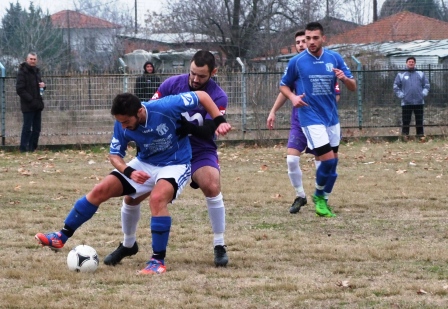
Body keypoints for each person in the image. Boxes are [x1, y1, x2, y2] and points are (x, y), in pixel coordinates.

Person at [35, 91, 231, 275]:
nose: (123, 127)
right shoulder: (122, 124)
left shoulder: (165, 106)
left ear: (139, 112)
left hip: (176, 163)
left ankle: (157, 261)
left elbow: (203, 96)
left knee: (156, 199)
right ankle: (61, 236)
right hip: (144, 163)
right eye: (120, 122)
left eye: (127, 122)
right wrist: (129, 171)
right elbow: (114, 155)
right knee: (100, 190)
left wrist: (219, 120)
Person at [103, 50, 230, 268]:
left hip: (199, 149)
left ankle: (219, 244)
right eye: (192, 74)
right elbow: (149, 110)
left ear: (213, 73)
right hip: (164, 151)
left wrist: (192, 128)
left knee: (211, 185)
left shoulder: (218, 96)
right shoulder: (172, 84)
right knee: (131, 198)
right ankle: (128, 244)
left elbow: (211, 127)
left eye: (201, 76)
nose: (195, 79)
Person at [279, 22, 356, 217]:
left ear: (323, 38)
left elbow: (353, 86)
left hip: (331, 117)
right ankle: (318, 195)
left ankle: (323, 199)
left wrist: (344, 79)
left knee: (333, 166)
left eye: (315, 38)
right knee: (327, 161)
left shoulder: (334, 58)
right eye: (308, 38)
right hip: (310, 117)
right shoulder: (297, 61)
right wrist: (293, 97)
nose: (311, 42)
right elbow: (284, 86)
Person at [267, 31, 340, 214]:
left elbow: (334, 95)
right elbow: (285, 90)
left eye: (304, 40)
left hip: (319, 122)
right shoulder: (297, 66)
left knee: (323, 161)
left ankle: (322, 198)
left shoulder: (323, 65)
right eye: (298, 42)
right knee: (291, 159)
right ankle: (300, 195)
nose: (301, 44)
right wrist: (273, 111)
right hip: (299, 122)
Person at [16, 52, 45, 153]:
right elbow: (20, 89)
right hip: (28, 105)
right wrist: (31, 100)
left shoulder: (37, 71)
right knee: (27, 128)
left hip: (37, 104)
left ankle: (32, 148)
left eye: (34, 59)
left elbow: (39, 86)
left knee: (37, 129)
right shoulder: (22, 72)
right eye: (31, 59)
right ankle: (24, 149)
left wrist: (43, 86)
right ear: (27, 59)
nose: (33, 61)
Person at [393, 57, 430, 138]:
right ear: (406, 63)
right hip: (406, 102)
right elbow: (396, 86)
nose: (411, 63)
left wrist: (422, 94)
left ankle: (420, 136)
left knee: (419, 121)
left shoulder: (420, 73)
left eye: (412, 62)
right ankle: (405, 137)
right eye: (409, 62)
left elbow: (426, 85)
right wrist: (402, 96)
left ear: (415, 63)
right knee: (406, 121)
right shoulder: (401, 74)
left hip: (419, 102)